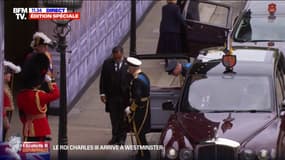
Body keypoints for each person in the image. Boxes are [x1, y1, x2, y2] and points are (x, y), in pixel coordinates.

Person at [17, 53, 60, 141]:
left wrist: (26, 122)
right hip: (40, 129)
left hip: (27, 128)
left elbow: (21, 114)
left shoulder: (21, 95)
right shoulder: (39, 95)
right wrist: (51, 81)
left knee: (28, 152)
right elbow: (56, 94)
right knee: (38, 152)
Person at [99, 46, 132, 145]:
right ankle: (115, 136)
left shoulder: (128, 64)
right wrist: (102, 93)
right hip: (112, 97)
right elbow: (103, 79)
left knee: (123, 118)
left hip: (124, 97)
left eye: (118, 57)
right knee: (114, 118)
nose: (117, 60)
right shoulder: (107, 63)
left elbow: (132, 80)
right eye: (115, 58)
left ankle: (122, 138)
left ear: (122, 54)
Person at [125, 57, 151, 160]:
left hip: (140, 110)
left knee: (139, 133)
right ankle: (141, 152)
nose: (128, 69)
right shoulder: (143, 76)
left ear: (132, 68)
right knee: (140, 133)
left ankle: (144, 155)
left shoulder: (137, 81)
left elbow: (137, 99)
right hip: (144, 107)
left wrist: (131, 109)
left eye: (129, 67)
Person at [2, 60, 21, 141]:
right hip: (4, 114)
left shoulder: (5, 85)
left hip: (8, 112)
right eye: (7, 73)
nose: (10, 75)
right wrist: (4, 117)